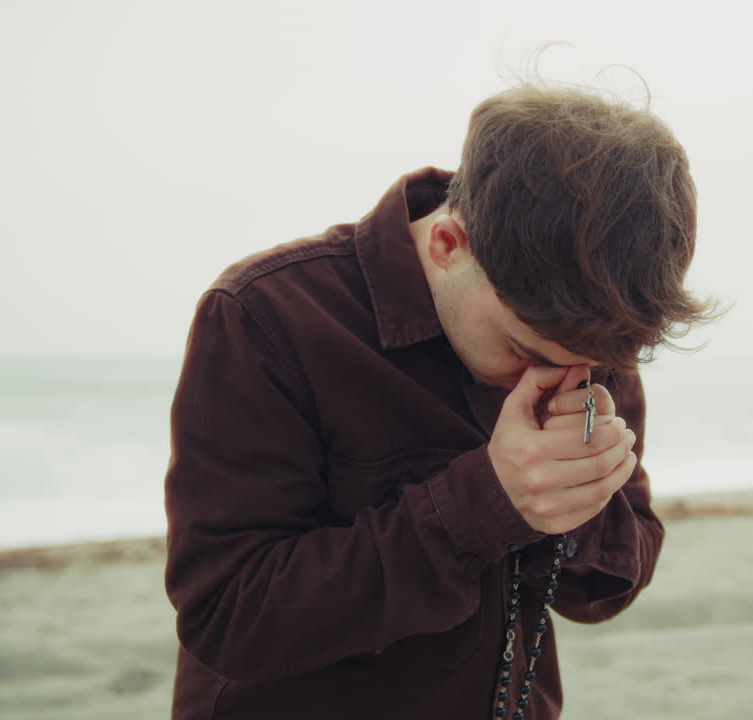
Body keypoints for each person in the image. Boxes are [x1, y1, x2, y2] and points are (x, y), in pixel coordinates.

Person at [163, 82, 715, 720]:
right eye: (524, 349)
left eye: (591, 361)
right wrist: (488, 501)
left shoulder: (586, 328)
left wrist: (578, 500)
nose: (559, 377)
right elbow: (230, 618)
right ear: (448, 246)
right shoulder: (268, 315)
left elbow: (601, 595)